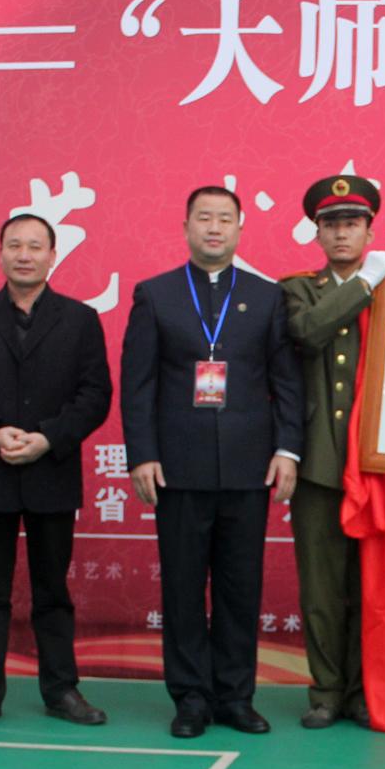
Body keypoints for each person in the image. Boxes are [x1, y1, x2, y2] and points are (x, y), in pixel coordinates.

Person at [121, 185, 303, 739]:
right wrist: (143, 455)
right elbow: (138, 384)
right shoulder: (156, 295)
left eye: (225, 218)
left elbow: (286, 382)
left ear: (240, 228)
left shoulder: (267, 297)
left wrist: (287, 449)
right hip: (177, 467)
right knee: (182, 588)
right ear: (186, 227)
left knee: (239, 587)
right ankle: (191, 698)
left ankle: (235, 696)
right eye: (204, 218)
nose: (215, 228)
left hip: (250, 467)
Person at [0, 213, 113, 730]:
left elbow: (95, 394)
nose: (25, 255)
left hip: (52, 471)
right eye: (15, 245)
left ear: (53, 256)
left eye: (35, 246)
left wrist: (49, 437)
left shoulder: (79, 319)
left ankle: (61, 690)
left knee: (52, 592)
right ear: (0, 254)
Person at [279, 174, 385, 729]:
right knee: (322, 586)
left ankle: (363, 691)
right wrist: (366, 283)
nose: (342, 234)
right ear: (317, 234)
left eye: (352, 223)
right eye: (331, 225)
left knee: (373, 587)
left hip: (381, 463)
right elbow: (307, 331)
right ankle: (326, 690)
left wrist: (379, 283)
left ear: (371, 231)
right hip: (320, 461)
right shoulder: (298, 289)